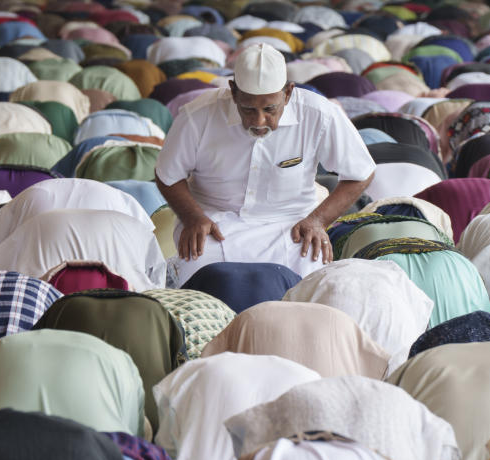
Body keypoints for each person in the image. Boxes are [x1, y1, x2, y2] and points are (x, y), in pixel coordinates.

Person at [155, 43, 375, 285]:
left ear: (289, 93)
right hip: (214, 223)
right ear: (233, 91)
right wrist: (193, 217)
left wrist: (318, 220)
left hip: (294, 225)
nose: (259, 121)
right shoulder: (197, 116)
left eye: (270, 109)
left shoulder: (319, 113)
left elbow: (360, 172)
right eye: (248, 109)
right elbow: (168, 175)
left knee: (313, 274)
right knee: (196, 269)